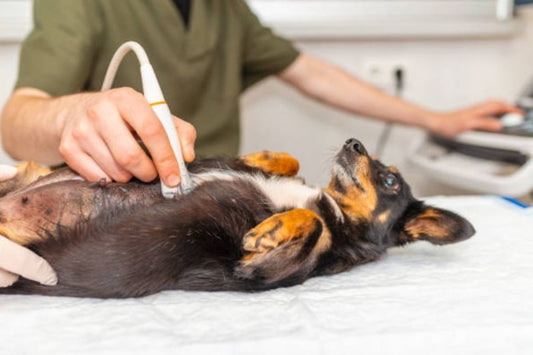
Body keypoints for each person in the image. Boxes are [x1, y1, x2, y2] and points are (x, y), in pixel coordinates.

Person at [0, 0, 521, 287]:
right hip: (93, 210)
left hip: (217, 223)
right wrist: (69, 112)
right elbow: (18, 118)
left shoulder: (227, 10)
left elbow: (313, 74)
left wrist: (438, 118)